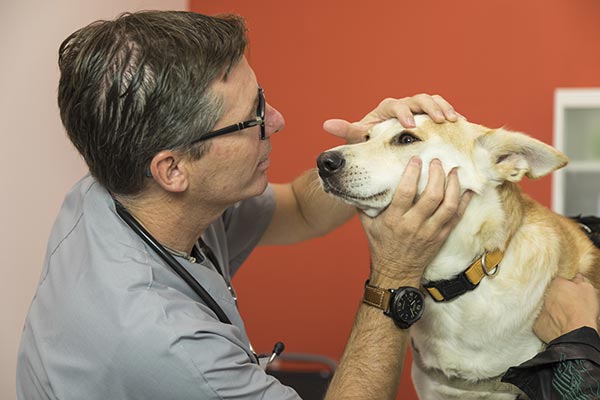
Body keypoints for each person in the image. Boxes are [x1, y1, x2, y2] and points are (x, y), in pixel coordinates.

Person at [15, 10, 599, 400]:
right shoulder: (160, 343)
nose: (279, 122)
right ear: (173, 169)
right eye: (251, 118)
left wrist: (369, 154)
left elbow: (299, 205)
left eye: (262, 99)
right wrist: (395, 274)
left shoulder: (114, 191)